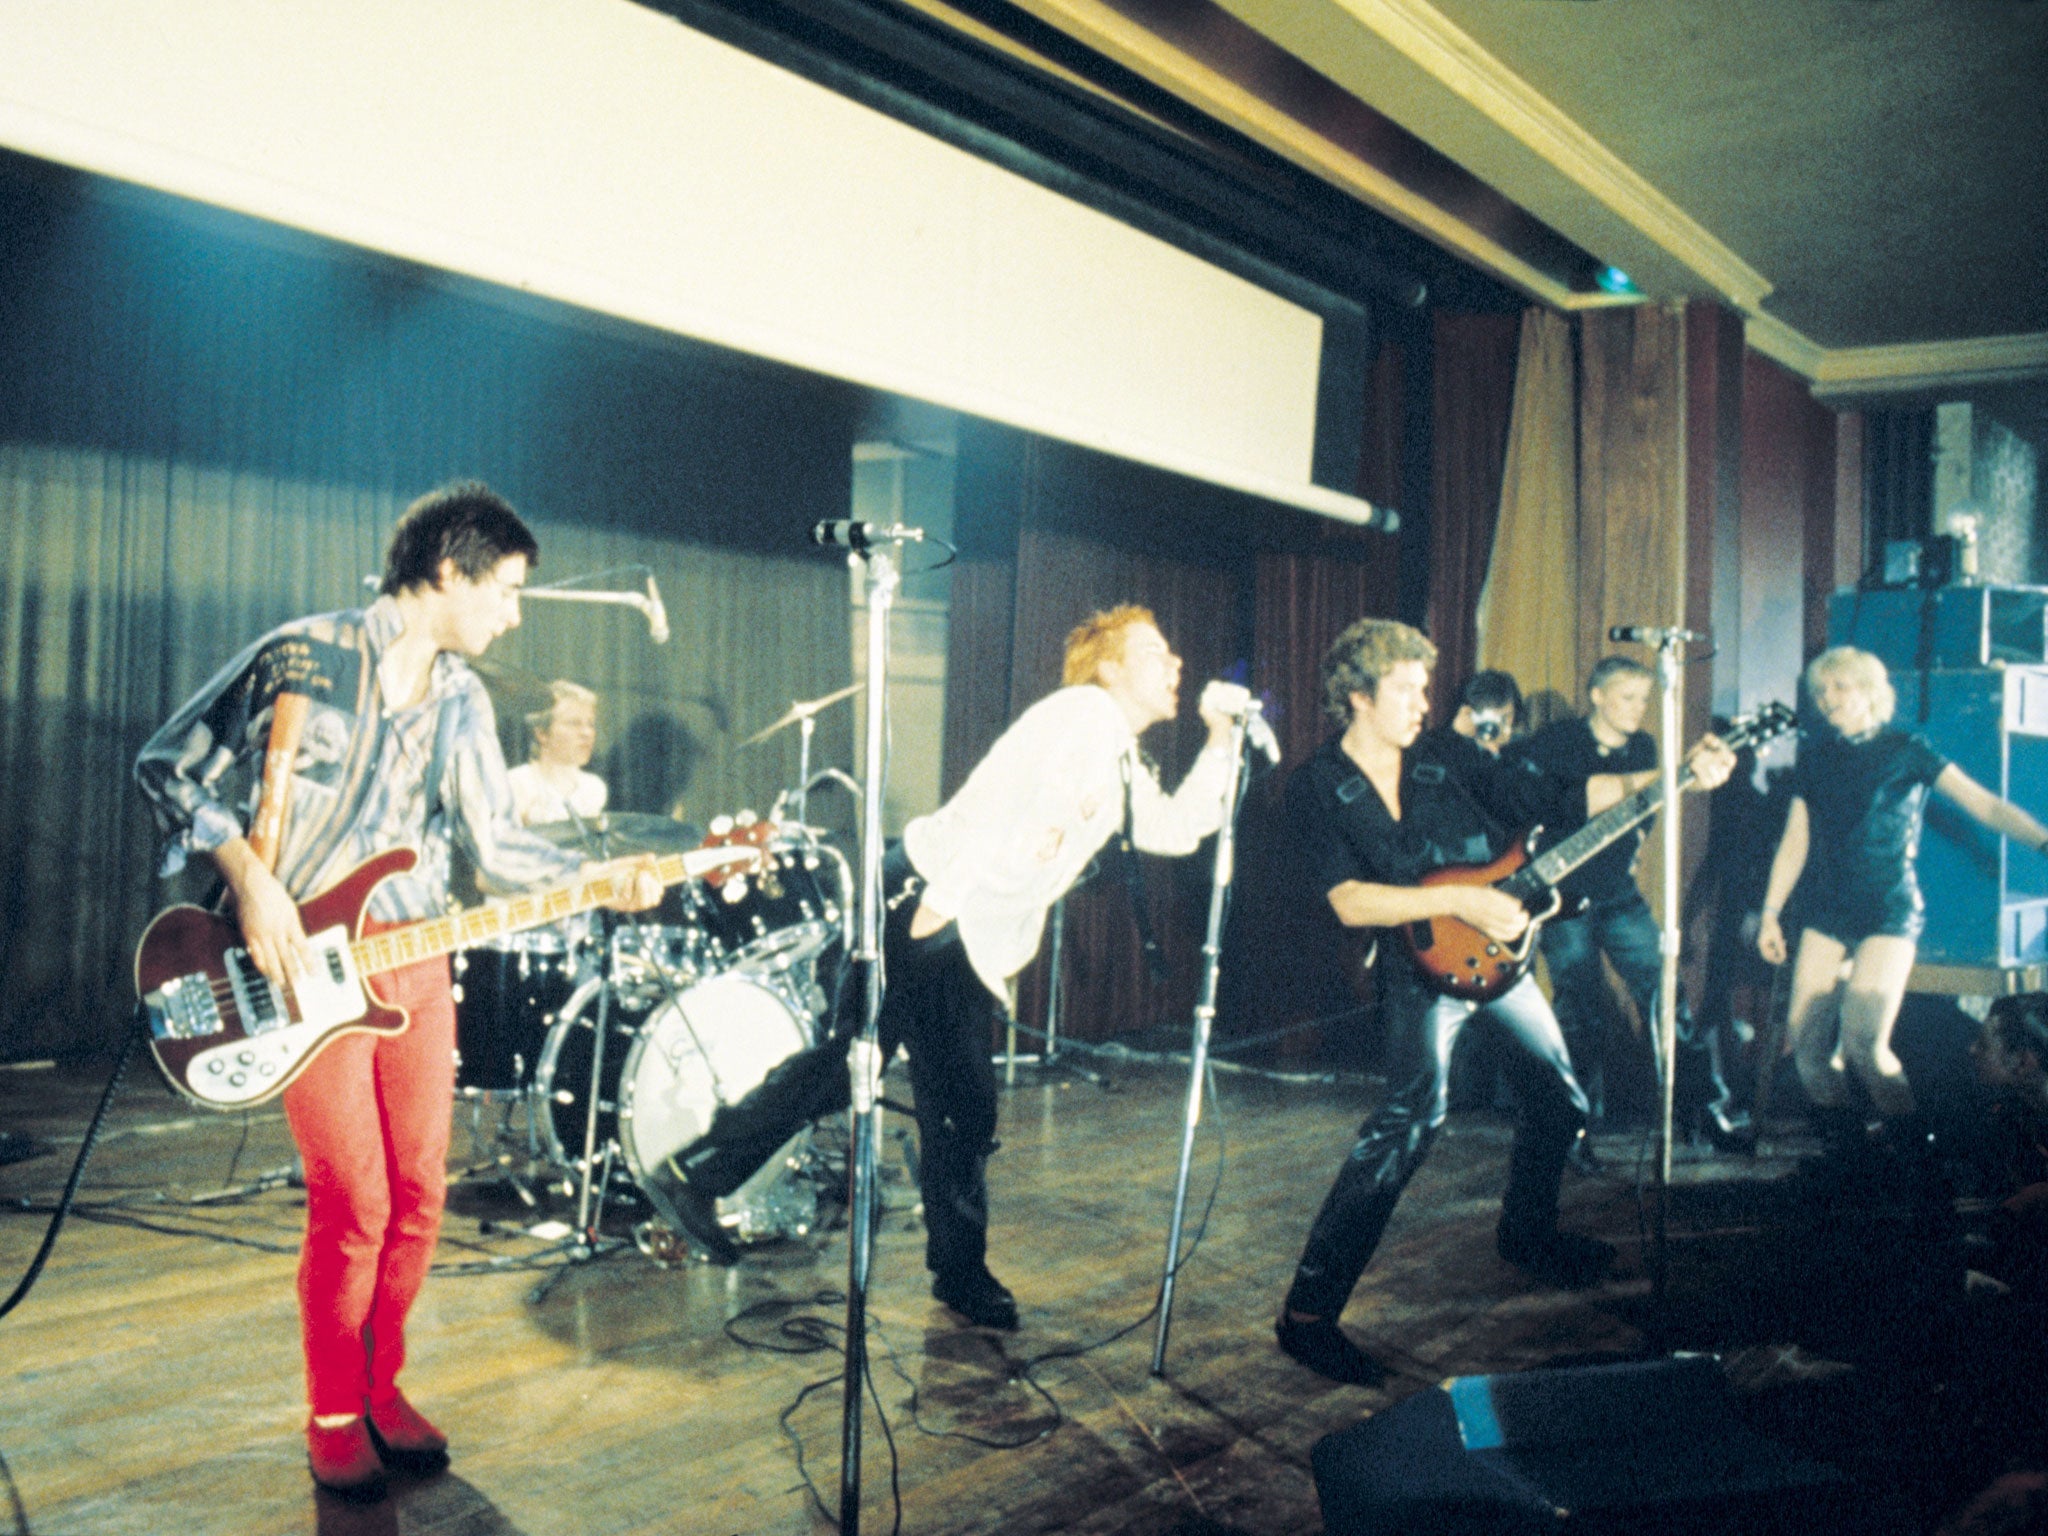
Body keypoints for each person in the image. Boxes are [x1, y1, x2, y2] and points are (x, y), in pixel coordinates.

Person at [135, 482, 660, 1501]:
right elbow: (169, 767)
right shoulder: (304, 653)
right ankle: (332, 1411)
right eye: (504, 590)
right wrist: (252, 882)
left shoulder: (463, 697)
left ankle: (382, 1387)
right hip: (297, 963)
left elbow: (496, 843)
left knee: (420, 1195)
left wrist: (614, 874)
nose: (511, 614)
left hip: (415, 954)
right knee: (354, 1201)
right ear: (449, 572)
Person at [650, 605, 1240, 1328]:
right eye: (1155, 651)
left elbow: (1175, 830)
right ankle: (701, 1174)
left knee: (946, 1099)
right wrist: (939, 907)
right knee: (870, 1070)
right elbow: (1012, 815)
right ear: (1109, 666)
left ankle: (949, 1269)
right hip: (930, 901)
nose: (1175, 664)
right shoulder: (1084, 714)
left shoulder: (1116, 750)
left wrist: (1220, 741)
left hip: (959, 924)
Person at [1274, 621, 1723, 1387]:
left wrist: (1675, 776)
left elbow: (1548, 795)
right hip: (1419, 970)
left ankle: (1527, 1232)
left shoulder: (1443, 759)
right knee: (1412, 1121)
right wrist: (1463, 903)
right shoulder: (1319, 786)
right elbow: (1348, 902)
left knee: (1561, 1100)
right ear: (1357, 696)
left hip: (1498, 960)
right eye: (1407, 689)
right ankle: (1308, 1316)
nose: (1424, 703)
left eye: (1425, 687)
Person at [1757, 646, 2048, 1174]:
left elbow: (1983, 804)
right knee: (1808, 1053)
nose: (1829, 700)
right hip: (1827, 911)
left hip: (1888, 910)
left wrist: (2043, 841)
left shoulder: (1905, 749)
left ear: (1869, 690)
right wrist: (1772, 911)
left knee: (1865, 1045)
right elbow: (1794, 838)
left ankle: (1916, 1160)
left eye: (1840, 688)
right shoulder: (1817, 759)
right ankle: (1850, 1158)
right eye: (1822, 691)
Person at [1515, 658, 1744, 1149]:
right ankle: (1572, 1130)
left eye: (1644, 699)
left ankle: (1701, 1110)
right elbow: (1573, 801)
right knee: (1579, 1010)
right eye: (1626, 698)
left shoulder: (1643, 746)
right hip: (1563, 900)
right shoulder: (1560, 742)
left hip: (1619, 895)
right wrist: (1671, 774)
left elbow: (1648, 810)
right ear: (1596, 696)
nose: (1638, 709)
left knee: (1668, 996)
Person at [507, 680, 607, 825]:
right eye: (574, 723)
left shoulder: (594, 788)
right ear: (542, 733)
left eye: (590, 724)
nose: (587, 733)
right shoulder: (516, 784)